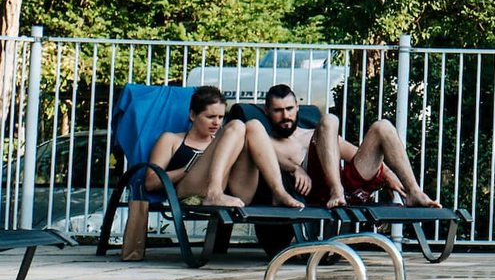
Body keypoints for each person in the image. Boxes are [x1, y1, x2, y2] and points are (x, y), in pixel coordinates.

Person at [228, 84, 441, 211]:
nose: (286, 116)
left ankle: (414, 192)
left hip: (348, 187)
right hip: (321, 194)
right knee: (329, 120)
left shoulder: (317, 135)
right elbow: (265, 158)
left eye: (290, 108)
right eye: (278, 110)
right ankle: (336, 191)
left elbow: (355, 154)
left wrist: (388, 176)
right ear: (266, 111)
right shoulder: (264, 142)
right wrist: (296, 168)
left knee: (382, 127)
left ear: (297, 107)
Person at [144, 86, 250, 209]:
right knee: (237, 125)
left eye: (221, 117)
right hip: (188, 193)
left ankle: (273, 192)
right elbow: (150, 183)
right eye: (210, 117)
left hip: (232, 191)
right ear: (193, 115)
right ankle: (214, 192)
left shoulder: (224, 142)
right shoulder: (171, 139)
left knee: (253, 126)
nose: (216, 123)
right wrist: (189, 168)